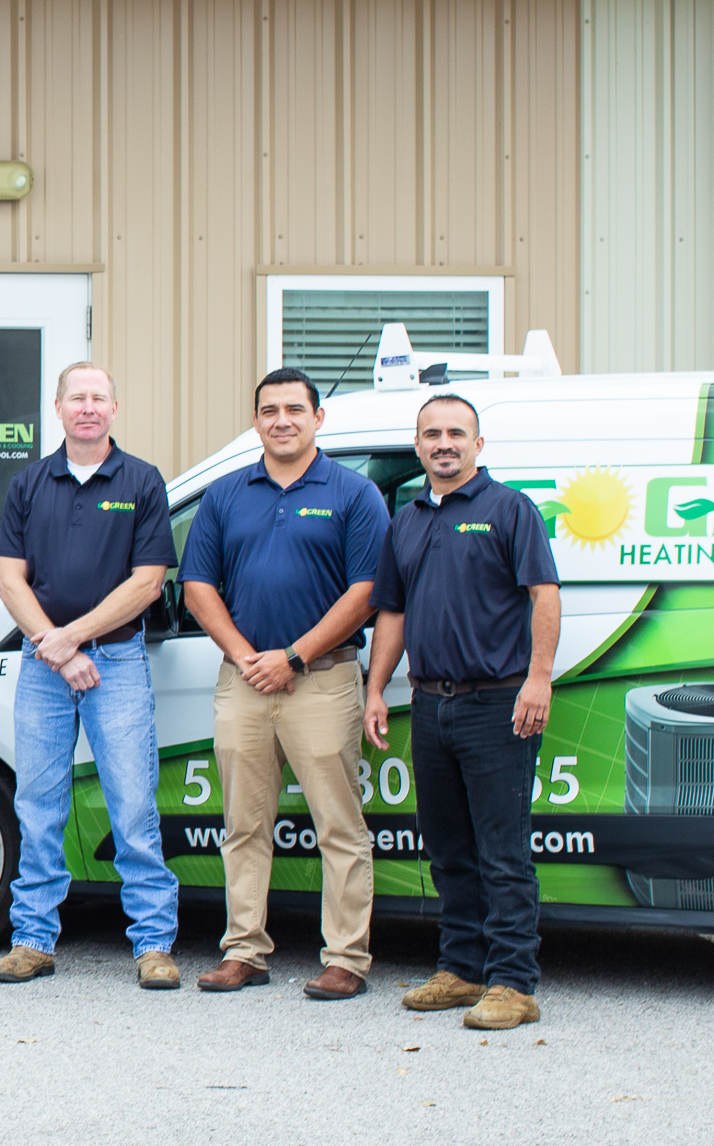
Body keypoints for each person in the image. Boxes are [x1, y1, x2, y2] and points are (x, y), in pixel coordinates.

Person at [181, 368, 389, 1000]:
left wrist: (293, 658)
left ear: (318, 418)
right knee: (243, 824)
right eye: (269, 410)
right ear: (256, 421)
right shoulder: (224, 495)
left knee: (339, 825)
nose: (281, 420)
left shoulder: (355, 494)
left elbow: (367, 593)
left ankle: (346, 958)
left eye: (294, 409)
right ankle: (244, 950)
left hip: (322, 682)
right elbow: (197, 587)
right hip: (243, 682)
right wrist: (249, 658)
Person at [365, 394, 560, 1031]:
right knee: (448, 848)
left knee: (502, 850)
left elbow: (544, 595)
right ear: (418, 446)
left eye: (456, 432)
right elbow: (391, 613)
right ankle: (461, 968)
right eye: (431, 434)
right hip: (431, 704)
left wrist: (537, 679)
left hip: (498, 704)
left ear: (479, 444)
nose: (443, 443)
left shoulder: (510, 510)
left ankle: (513, 983)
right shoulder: (408, 520)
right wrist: (376, 688)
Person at [0, 362, 181, 988]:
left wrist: (72, 637)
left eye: (99, 398)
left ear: (115, 409)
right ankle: (33, 939)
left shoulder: (142, 481)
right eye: (78, 397)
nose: (88, 407)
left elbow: (148, 582)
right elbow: (10, 578)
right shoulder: (28, 483)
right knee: (39, 805)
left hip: (117, 662)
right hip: (45, 667)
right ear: (59, 407)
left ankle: (153, 945)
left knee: (132, 805)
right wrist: (59, 648)